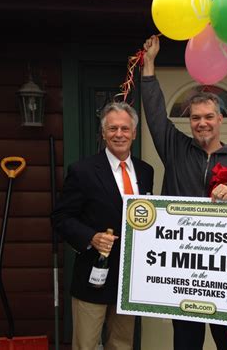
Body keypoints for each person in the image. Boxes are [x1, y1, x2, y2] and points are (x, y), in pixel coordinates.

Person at [141, 35, 227, 350]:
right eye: (195, 118)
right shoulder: (175, 149)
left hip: (226, 278)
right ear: (189, 122)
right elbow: (153, 116)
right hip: (185, 274)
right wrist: (149, 65)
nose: (202, 123)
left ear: (220, 119)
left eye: (208, 117)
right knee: (187, 343)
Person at [51, 102, 154, 350]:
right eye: (113, 128)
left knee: (121, 344)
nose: (119, 134)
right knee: (85, 345)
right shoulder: (83, 170)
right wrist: (91, 237)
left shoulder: (145, 170)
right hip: (93, 276)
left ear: (134, 133)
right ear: (103, 133)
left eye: (125, 128)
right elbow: (60, 217)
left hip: (130, 278)